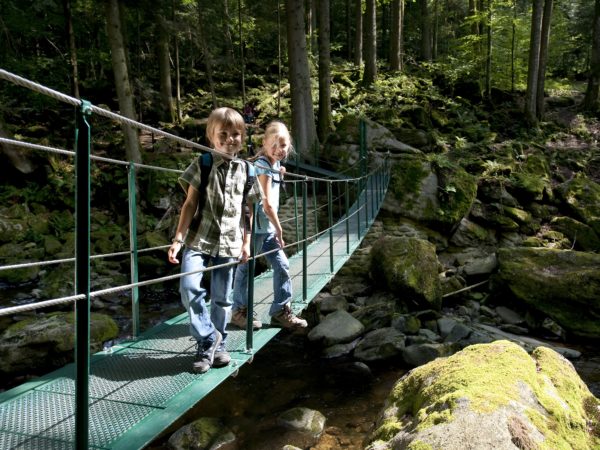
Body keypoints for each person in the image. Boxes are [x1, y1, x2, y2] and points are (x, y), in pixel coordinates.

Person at [168, 107, 261, 374]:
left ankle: (215, 347)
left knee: (222, 298)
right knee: (189, 288)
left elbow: (248, 211)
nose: (231, 139)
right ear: (212, 136)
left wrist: (247, 243)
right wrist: (178, 238)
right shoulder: (203, 164)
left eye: (236, 134)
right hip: (199, 239)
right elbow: (189, 204)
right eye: (224, 134)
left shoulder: (248, 171)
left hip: (231, 242)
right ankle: (208, 336)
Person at [230, 121, 307, 330]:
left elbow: (271, 185)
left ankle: (280, 311)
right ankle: (238, 311)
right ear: (264, 144)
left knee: (282, 265)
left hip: (267, 229)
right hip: (254, 228)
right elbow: (266, 204)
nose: (278, 150)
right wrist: (280, 229)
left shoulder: (272, 165)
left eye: (282, 145)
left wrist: (279, 173)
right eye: (273, 145)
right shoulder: (262, 165)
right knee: (245, 268)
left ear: (288, 146)